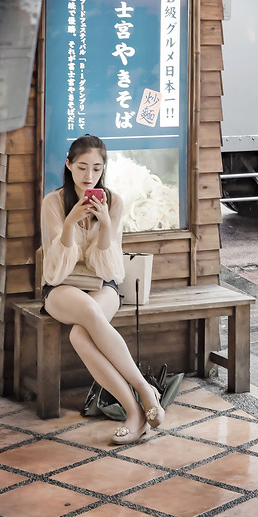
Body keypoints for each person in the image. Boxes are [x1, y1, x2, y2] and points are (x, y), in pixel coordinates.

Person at [41, 134, 164, 444]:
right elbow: (55, 271)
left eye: (96, 168)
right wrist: (70, 224)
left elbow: (111, 271)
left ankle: (134, 414)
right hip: (62, 288)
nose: (89, 176)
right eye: (82, 167)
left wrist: (106, 225)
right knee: (87, 310)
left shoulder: (115, 202)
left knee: (79, 334)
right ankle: (145, 390)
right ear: (68, 165)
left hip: (101, 284)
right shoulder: (52, 203)